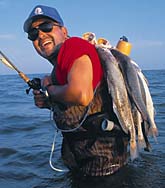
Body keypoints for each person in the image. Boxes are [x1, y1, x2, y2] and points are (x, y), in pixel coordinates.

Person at [23, 5, 129, 176]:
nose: (41, 35)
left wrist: (49, 87)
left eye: (46, 27)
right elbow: (83, 106)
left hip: (102, 166)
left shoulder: (73, 46)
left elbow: (81, 94)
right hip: (88, 163)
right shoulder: (60, 66)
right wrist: (49, 103)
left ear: (64, 31)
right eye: (33, 34)